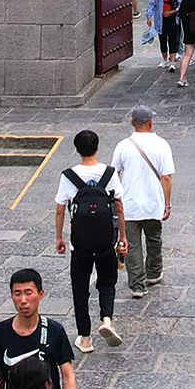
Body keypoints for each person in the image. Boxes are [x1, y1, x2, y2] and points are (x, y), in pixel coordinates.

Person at [50, 129, 127, 351]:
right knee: (107, 282)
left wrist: (59, 237)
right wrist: (122, 237)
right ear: (97, 147)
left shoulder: (68, 176)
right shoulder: (109, 173)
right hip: (106, 241)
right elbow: (119, 207)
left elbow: (60, 209)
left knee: (80, 288)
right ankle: (106, 320)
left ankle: (85, 338)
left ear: (77, 150)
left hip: (80, 243)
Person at [112, 106, 177, 295]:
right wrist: (167, 203)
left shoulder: (123, 146)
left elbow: (114, 174)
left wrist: (116, 200)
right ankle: (154, 273)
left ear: (132, 123)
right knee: (154, 239)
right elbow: (166, 177)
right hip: (153, 203)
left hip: (129, 204)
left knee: (131, 244)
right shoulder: (162, 145)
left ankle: (137, 284)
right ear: (151, 122)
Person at [0, 270, 76, 389]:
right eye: (17, 294)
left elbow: (67, 375)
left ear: (41, 294)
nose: (23, 300)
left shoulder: (55, 331)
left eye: (28, 293)